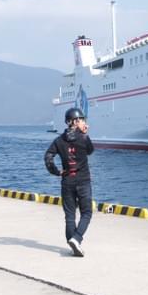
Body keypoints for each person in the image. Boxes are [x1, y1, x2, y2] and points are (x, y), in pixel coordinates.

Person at [44, 107, 94, 257]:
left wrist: (56, 171)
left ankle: (73, 246)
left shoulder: (58, 140)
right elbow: (90, 151)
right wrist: (85, 134)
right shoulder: (83, 138)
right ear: (76, 121)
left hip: (67, 181)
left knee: (70, 215)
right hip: (83, 181)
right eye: (81, 119)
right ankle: (77, 239)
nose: (83, 122)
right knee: (86, 212)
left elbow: (48, 157)